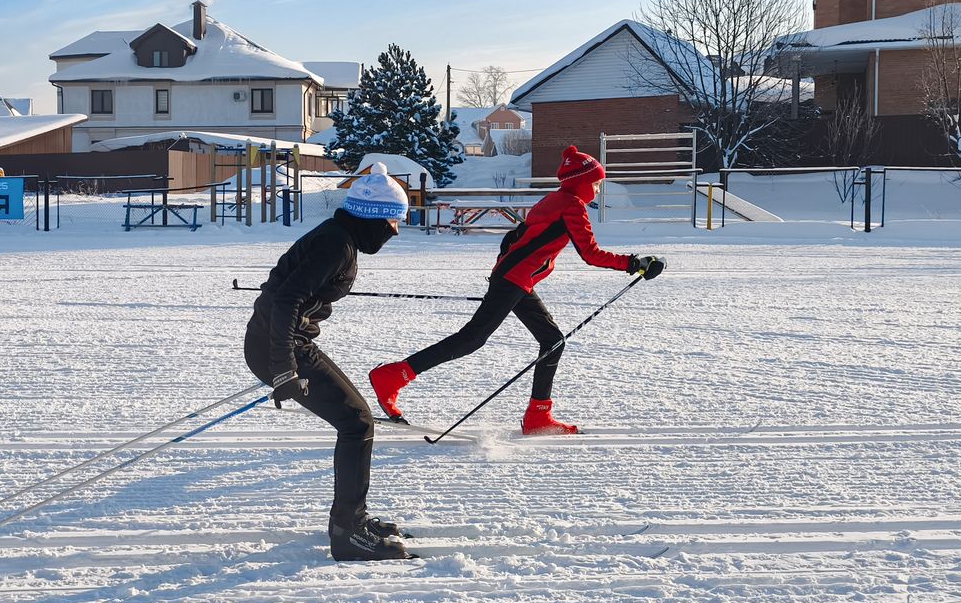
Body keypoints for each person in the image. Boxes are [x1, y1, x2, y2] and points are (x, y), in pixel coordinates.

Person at [370, 145, 666, 435]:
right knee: (472, 339)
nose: (598, 189)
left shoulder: (553, 200)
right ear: (582, 182)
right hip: (514, 279)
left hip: (516, 279)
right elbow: (590, 253)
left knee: (552, 341)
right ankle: (394, 376)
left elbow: (514, 237)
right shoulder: (571, 206)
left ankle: (539, 415)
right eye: (596, 183)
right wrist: (633, 263)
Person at [244, 162, 413, 562]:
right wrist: (284, 366)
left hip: (283, 342)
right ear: (373, 218)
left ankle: (352, 519)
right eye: (393, 221)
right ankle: (348, 533)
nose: (395, 231)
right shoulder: (335, 245)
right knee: (356, 423)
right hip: (279, 347)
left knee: (358, 420)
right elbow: (286, 300)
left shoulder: (339, 239)